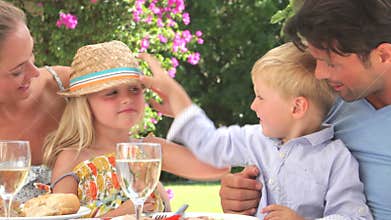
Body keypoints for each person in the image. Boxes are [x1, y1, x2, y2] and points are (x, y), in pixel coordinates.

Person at [139, 43, 373, 219]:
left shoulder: (337, 159)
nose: (253, 105)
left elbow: (354, 216)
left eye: (260, 96)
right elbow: (210, 145)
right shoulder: (254, 139)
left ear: (297, 107)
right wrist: (181, 107)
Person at [219, 0, 391, 219]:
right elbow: (274, 158)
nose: (319, 74)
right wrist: (239, 195)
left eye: (330, 63)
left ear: (383, 55)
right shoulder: (325, 102)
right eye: (316, 60)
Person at [43, 41, 229, 218]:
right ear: (85, 103)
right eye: (111, 93)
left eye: (134, 89)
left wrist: (183, 113)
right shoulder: (73, 158)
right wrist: (120, 214)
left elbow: (218, 165)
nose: (126, 99)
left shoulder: (149, 151)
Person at [0, 0, 71, 201]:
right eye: (18, 71)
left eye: (32, 55)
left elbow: (128, 149)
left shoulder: (64, 87)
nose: (35, 72)